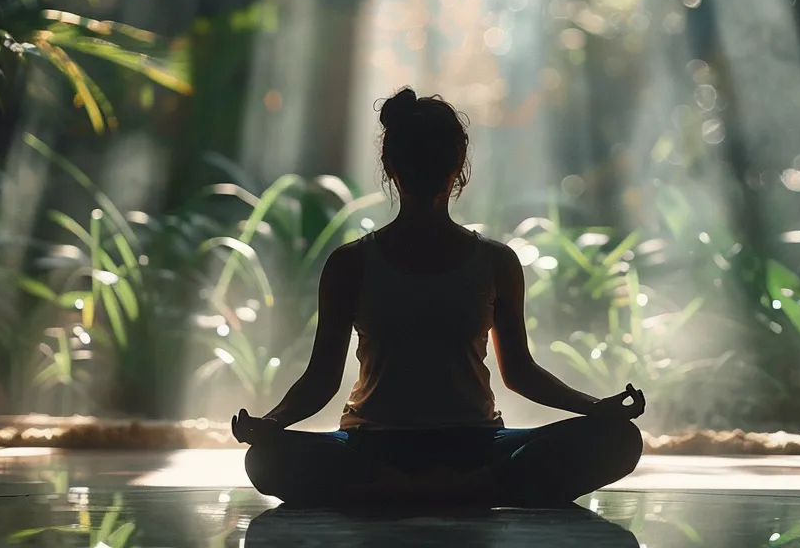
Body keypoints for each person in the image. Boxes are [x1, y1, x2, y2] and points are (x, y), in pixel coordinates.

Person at [232, 87, 646, 509]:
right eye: (418, 157)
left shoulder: (494, 262)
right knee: (265, 457)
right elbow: (321, 378)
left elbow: (519, 372)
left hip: (474, 442)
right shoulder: (352, 264)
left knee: (619, 440)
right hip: (375, 444)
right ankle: (474, 490)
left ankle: (393, 492)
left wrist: (598, 410)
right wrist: (272, 425)